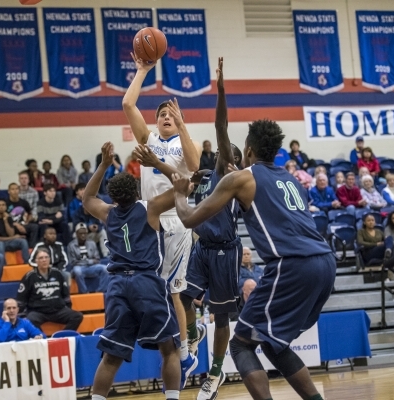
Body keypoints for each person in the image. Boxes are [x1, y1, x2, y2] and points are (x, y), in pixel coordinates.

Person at [172, 118, 336, 400]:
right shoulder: (291, 179)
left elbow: (187, 218)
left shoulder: (241, 178)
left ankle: (211, 365)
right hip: (325, 261)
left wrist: (178, 194)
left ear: (248, 150)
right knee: (273, 344)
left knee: (240, 345)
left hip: (289, 263)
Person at [138, 58, 241, 398]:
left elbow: (219, 135)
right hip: (200, 247)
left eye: (233, 159)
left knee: (223, 318)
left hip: (226, 252)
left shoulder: (241, 184)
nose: (228, 161)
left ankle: (215, 372)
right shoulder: (207, 177)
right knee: (180, 294)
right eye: (225, 158)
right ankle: (191, 337)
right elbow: (197, 164)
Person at [123, 52, 201, 383]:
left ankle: (183, 353)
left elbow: (196, 167)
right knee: (153, 288)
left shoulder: (183, 143)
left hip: (177, 221)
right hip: (149, 221)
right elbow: (128, 105)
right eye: (161, 114)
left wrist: (183, 125)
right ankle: (176, 348)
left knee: (172, 292)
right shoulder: (149, 139)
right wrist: (142, 70)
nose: (165, 117)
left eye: (171, 113)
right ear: (155, 122)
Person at [82, 142, 182, 400]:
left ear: (113, 197)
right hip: (146, 282)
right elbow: (183, 185)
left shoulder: (107, 212)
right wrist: (156, 163)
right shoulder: (150, 207)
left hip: (116, 285)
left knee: (112, 354)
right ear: (137, 190)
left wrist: (104, 164)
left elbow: (87, 198)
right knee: (169, 347)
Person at [17, 248, 84, 331]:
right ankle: (42, 338)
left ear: (49, 259)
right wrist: (22, 314)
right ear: (36, 261)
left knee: (77, 316)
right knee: (29, 320)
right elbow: (21, 298)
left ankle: (62, 336)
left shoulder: (57, 273)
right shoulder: (29, 277)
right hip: (38, 312)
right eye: (41, 258)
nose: (44, 260)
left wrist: (68, 308)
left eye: (46, 257)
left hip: (58, 311)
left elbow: (65, 294)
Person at [67, 223, 109, 293]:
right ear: (77, 234)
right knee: (77, 271)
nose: (83, 235)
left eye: (85, 233)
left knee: (105, 269)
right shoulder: (71, 245)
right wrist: (90, 261)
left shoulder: (92, 243)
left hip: (91, 267)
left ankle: (100, 291)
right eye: (81, 233)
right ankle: (84, 292)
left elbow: (97, 259)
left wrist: (86, 261)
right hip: (79, 268)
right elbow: (73, 262)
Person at [0, 199, 30, 264]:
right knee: (0, 244)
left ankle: (27, 262)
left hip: (9, 242)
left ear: (6, 207)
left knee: (23, 241)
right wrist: (13, 238)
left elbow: (11, 234)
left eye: (3, 205)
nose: (1, 207)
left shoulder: (9, 218)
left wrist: (6, 221)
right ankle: (2, 265)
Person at [6, 183, 38, 247]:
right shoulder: (5, 203)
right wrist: (17, 225)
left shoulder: (24, 202)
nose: (15, 191)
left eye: (16, 189)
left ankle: (31, 248)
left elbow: (29, 214)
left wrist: (27, 221)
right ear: (8, 191)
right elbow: (5, 216)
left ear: (19, 190)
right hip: (11, 225)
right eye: (12, 189)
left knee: (35, 226)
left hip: (23, 224)